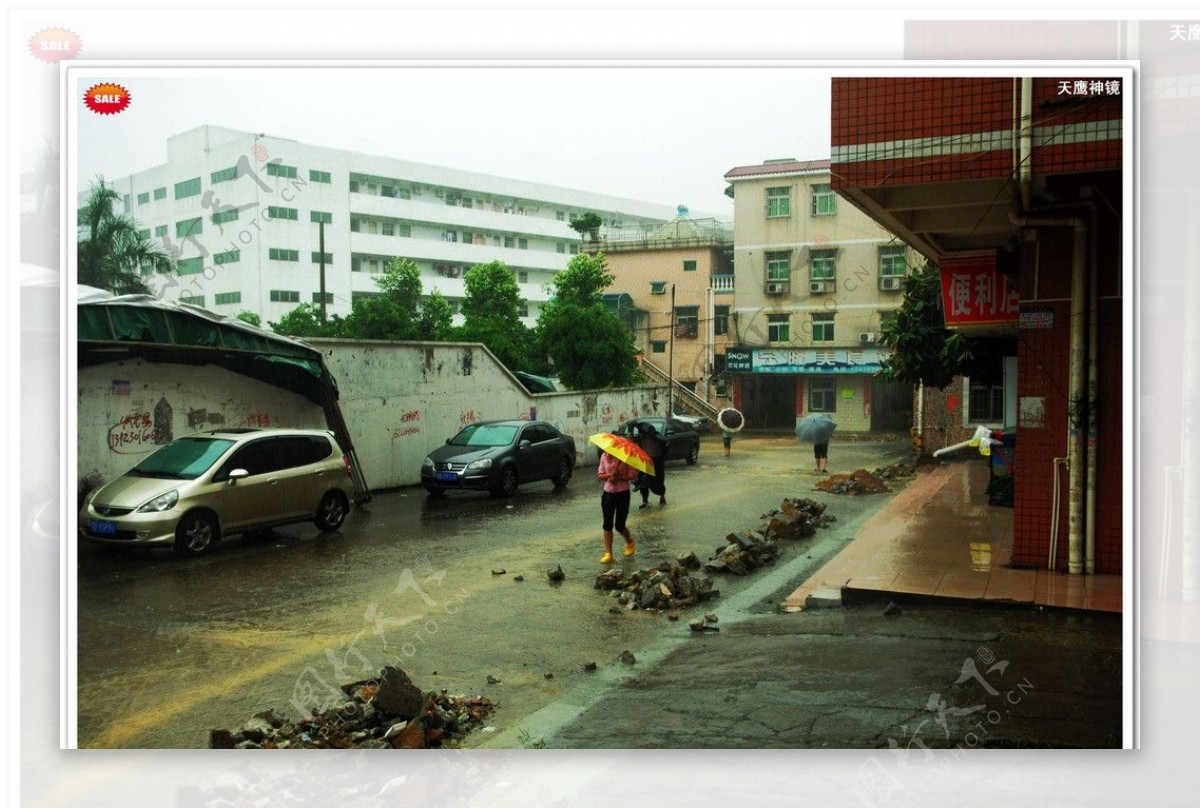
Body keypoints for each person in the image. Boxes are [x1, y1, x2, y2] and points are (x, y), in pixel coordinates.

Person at [597, 449, 639, 564]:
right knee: (607, 524)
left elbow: (633, 474)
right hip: (607, 494)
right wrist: (609, 476)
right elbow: (600, 474)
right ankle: (608, 553)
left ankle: (630, 542)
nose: (608, 451)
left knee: (620, 526)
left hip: (622, 494)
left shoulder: (625, 457)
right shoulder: (604, 457)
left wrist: (620, 477)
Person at [634, 421, 667, 508]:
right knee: (643, 481)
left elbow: (665, 445)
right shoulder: (640, 438)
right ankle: (645, 500)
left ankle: (662, 496)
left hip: (657, 462)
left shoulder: (658, 437)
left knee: (659, 480)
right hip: (645, 461)